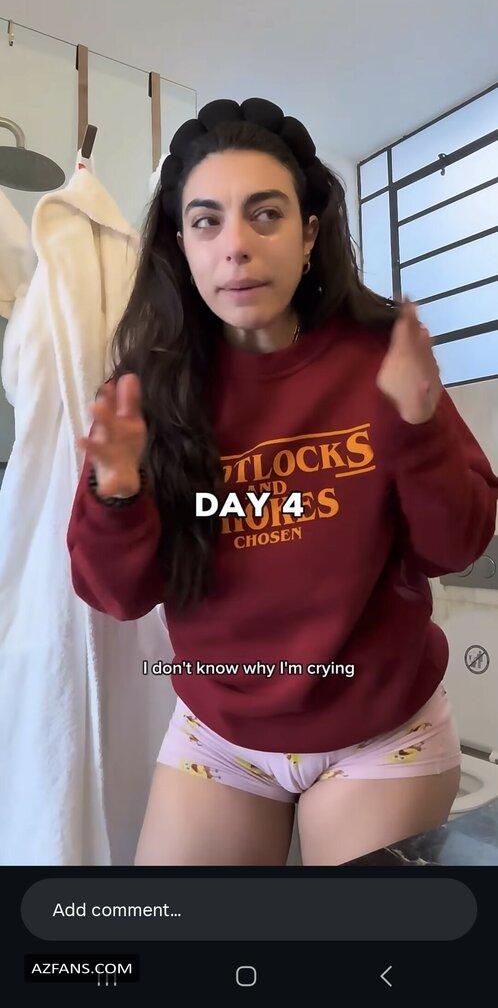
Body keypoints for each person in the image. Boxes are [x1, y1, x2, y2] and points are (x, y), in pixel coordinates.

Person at [67, 98, 498, 866]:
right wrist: (117, 493)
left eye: (265, 215)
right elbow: (120, 596)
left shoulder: (379, 360)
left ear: (308, 234)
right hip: (219, 737)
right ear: (181, 245)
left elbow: (457, 546)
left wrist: (418, 429)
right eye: (206, 221)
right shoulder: (152, 392)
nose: (236, 245)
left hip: (380, 734)